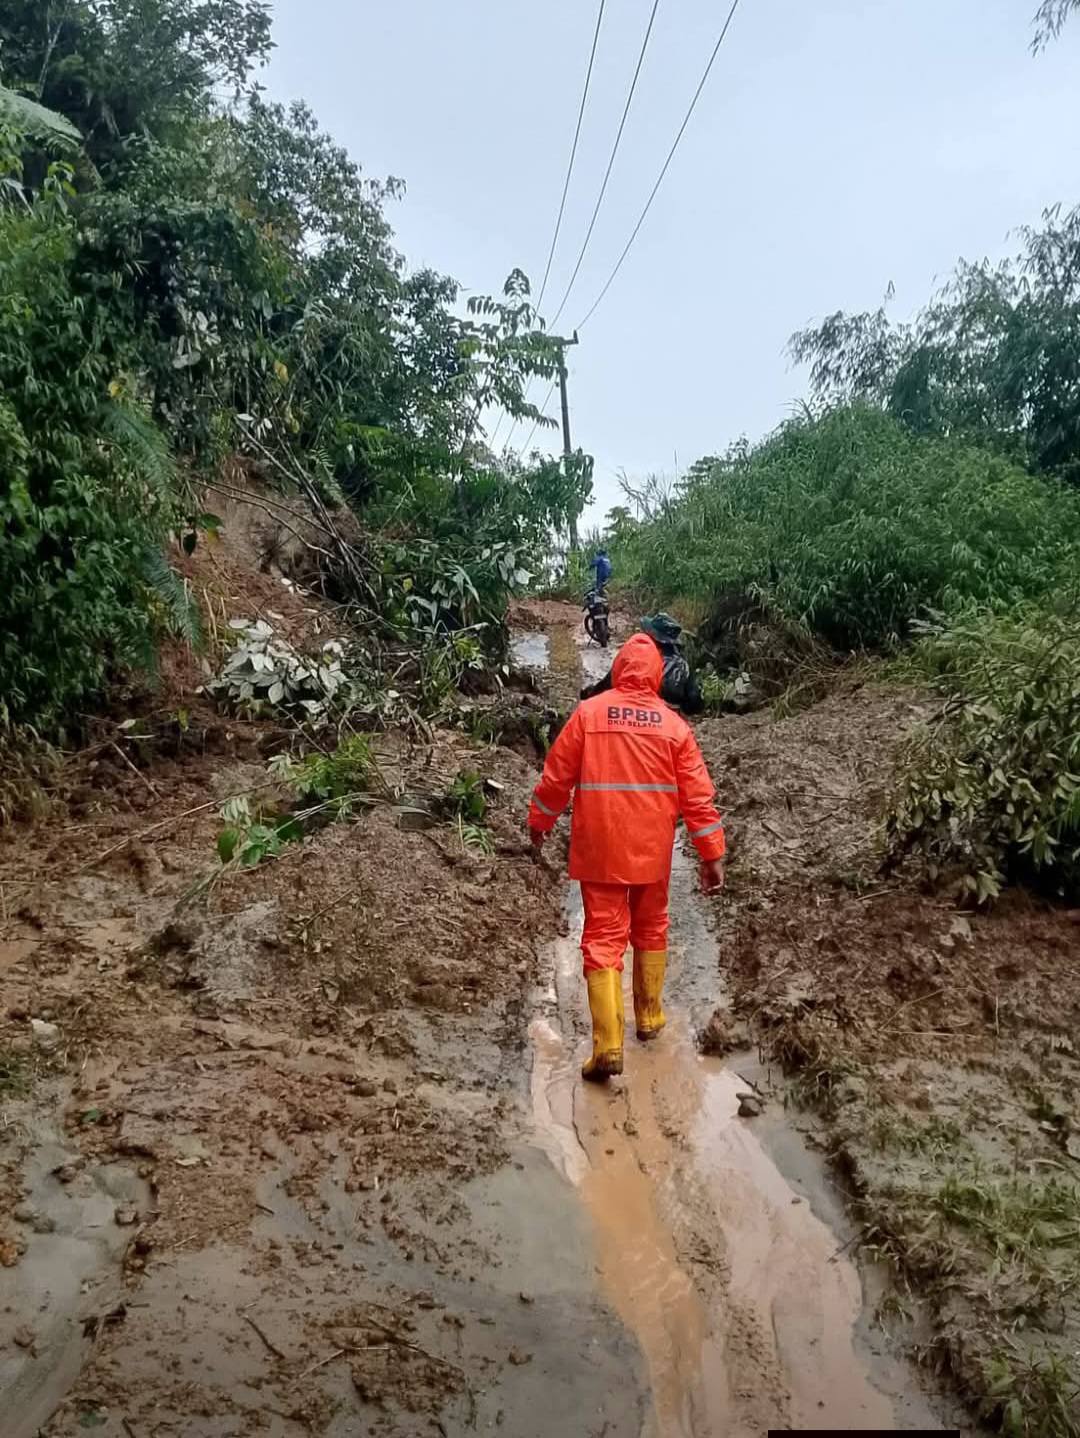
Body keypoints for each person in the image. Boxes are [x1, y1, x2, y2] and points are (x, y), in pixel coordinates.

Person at [528, 632, 726, 1082]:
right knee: (652, 927)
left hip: (600, 849)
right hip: (652, 852)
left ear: (618, 669)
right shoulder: (674, 727)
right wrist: (712, 853)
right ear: (657, 675)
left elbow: (555, 778)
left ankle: (608, 1046)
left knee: (603, 938)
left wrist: (538, 823)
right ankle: (650, 1018)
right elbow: (698, 798)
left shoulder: (588, 715)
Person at [581, 613, 704, 715]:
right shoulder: (682, 666)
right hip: (668, 721)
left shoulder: (637, 656)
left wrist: (590, 693)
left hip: (631, 714)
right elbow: (693, 704)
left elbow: (609, 683)